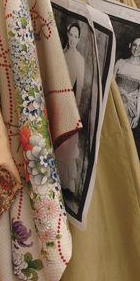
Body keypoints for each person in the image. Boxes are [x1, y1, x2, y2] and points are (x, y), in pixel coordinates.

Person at [58, 23, 86, 197]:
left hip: (71, 105)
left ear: (79, 39)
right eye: (71, 35)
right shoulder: (61, 54)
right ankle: (59, 182)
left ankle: (70, 186)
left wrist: (74, 109)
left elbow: (80, 86)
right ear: (67, 34)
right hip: (58, 102)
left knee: (69, 144)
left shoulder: (80, 59)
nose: (73, 39)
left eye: (76, 36)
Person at [114, 37, 140, 128]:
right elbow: (109, 86)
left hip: (128, 109)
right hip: (113, 103)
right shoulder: (120, 63)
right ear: (130, 45)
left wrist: (137, 115)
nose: (136, 48)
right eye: (134, 45)